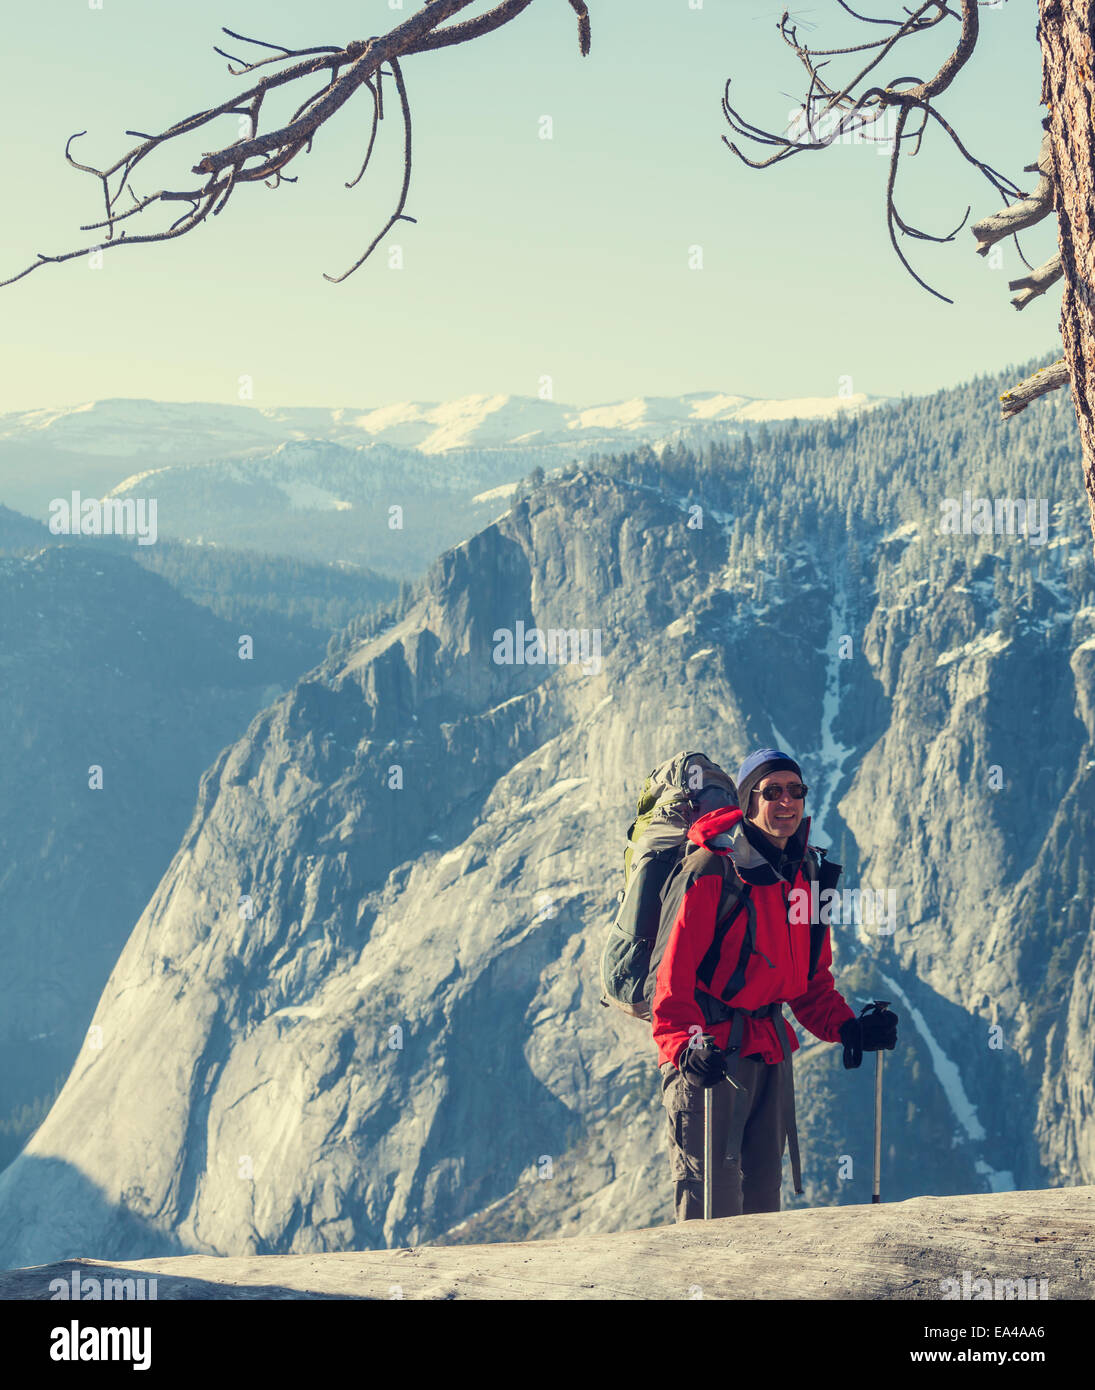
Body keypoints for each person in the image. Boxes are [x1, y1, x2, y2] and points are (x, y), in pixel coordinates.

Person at [649, 747, 898, 1221]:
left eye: (796, 791)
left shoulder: (809, 874)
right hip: (711, 1058)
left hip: (769, 1057)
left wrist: (849, 1028)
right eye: (772, 792)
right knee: (713, 1214)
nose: (786, 802)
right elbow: (671, 981)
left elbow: (808, 983)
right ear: (748, 802)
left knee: (764, 1212)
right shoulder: (711, 871)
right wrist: (683, 1049)